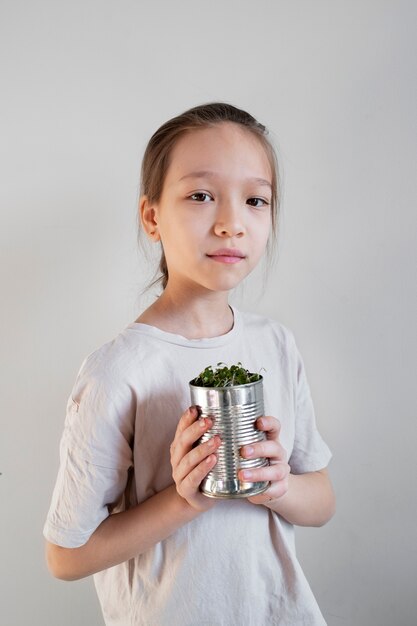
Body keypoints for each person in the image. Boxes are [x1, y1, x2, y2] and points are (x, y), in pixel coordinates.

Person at [44, 102, 336, 625]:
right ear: (152, 217)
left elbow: (323, 501)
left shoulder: (276, 344)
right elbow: (66, 557)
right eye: (201, 196)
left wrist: (278, 486)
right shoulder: (119, 370)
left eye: (255, 200)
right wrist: (184, 501)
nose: (231, 224)